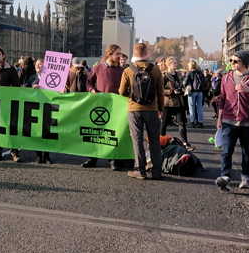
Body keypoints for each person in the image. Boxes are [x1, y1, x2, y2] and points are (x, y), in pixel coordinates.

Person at [213, 51, 249, 191]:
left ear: (245, 62)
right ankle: (224, 177)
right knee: (226, 150)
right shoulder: (226, 77)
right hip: (228, 119)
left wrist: (248, 89)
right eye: (231, 60)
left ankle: (245, 177)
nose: (232, 63)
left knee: (246, 151)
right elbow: (222, 98)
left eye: (236, 61)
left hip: (247, 119)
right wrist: (219, 117)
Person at [119, 42, 164, 180]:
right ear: (147, 54)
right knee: (154, 140)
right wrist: (160, 109)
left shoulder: (128, 70)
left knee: (137, 140)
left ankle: (140, 170)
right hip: (152, 109)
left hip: (134, 109)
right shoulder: (155, 70)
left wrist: (131, 97)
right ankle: (157, 171)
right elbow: (160, 92)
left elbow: (121, 91)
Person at [81, 44, 126, 169]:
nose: (120, 56)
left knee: (113, 133)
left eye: (120, 54)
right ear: (109, 54)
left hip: (115, 106)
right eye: (117, 54)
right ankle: (92, 159)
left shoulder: (122, 71)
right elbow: (89, 82)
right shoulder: (98, 68)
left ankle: (112, 159)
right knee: (96, 132)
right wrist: (92, 90)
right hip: (99, 106)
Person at [161, 57, 192, 150]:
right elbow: (159, 89)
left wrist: (186, 89)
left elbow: (181, 86)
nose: (176, 64)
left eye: (176, 62)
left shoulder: (178, 74)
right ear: (169, 64)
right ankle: (160, 142)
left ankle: (185, 143)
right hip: (168, 103)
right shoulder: (164, 75)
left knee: (182, 123)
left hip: (179, 102)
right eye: (174, 63)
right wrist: (171, 91)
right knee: (163, 124)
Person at [184, 60, 206, 128]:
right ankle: (200, 122)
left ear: (190, 66)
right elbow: (204, 82)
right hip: (200, 92)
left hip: (192, 92)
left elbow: (185, 82)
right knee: (199, 108)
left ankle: (192, 122)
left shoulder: (189, 73)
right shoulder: (200, 72)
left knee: (191, 108)